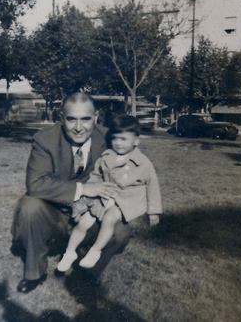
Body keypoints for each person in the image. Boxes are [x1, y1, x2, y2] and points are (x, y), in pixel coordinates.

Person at [11, 92, 131, 294]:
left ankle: (88, 273)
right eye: (71, 119)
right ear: (61, 117)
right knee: (29, 206)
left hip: (91, 214)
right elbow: (35, 183)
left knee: (121, 230)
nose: (78, 127)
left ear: (96, 117)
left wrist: (98, 202)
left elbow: (128, 174)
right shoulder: (44, 139)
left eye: (85, 119)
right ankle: (35, 273)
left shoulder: (110, 139)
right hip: (55, 214)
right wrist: (83, 190)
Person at [56, 114, 162, 272]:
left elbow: (153, 186)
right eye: (115, 138)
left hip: (127, 200)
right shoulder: (106, 157)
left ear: (136, 141)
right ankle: (69, 253)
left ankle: (95, 250)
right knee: (84, 222)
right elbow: (95, 177)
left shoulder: (143, 163)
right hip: (105, 196)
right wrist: (90, 195)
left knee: (110, 218)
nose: (118, 143)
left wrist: (154, 212)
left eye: (124, 139)